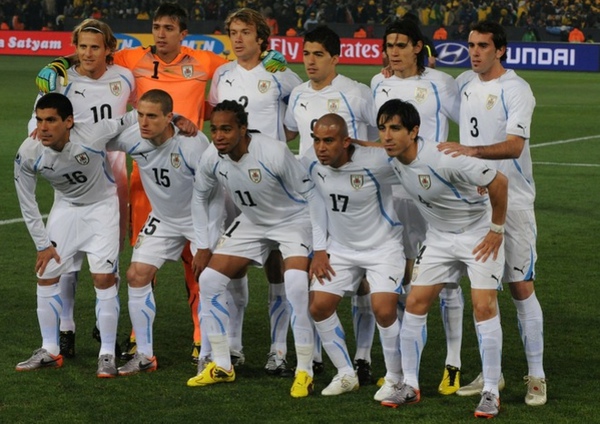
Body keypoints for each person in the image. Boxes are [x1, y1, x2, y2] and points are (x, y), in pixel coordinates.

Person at [34, 2, 287, 364]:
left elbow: (241, 65)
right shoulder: (131, 59)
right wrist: (60, 62)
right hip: (147, 177)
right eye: (156, 27)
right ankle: (138, 340)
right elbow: (93, 56)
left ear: (183, 33)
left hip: (192, 165)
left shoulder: (206, 62)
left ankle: (203, 338)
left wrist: (270, 58)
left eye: (169, 28)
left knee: (200, 262)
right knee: (141, 259)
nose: (161, 34)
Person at [376, 98, 508, 419]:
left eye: (395, 128)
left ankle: (491, 390)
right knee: (415, 302)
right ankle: (410, 385)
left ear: (414, 131)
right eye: (382, 128)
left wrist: (496, 229)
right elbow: (365, 148)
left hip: (477, 234)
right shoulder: (393, 157)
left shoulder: (444, 157)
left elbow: (498, 182)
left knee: (483, 306)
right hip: (438, 237)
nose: (387, 136)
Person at [439, 20, 547, 407]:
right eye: (471, 45)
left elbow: (515, 146)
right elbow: (430, 90)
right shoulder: (465, 83)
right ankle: (492, 374)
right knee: (482, 291)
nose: (474, 52)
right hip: (474, 205)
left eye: (483, 46)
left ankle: (536, 376)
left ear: (499, 50)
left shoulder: (516, 89)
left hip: (513, 203)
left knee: (520, 287)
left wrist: (471, 152)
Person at [187, 100, 324, 399]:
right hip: (252, 221)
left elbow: (312, 195)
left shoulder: (274, 152)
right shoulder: (212, 156)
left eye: (226, 129)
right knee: (209, 280)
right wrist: (203, 245)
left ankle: (304, 370)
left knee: (295, 283)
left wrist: (322, 248)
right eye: (214, 129)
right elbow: (199, 197)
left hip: (292, 220)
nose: (219, 136)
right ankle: (222, 364)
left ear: (243, 129)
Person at [27, 18, 136, 360]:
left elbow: (141, 110)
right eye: (82, 47)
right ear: (75, 48)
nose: (88, 54)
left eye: (94, 47)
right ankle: (66, 329)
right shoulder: (61, 81)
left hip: (114, 179)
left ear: (108, 49)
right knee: (67, 260)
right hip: (73, 180)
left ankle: (105, 328)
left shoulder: (125, 78)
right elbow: (36, 121)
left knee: (109, 259)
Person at [207, 7, 303, 376]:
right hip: (233, 182)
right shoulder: (222, 74)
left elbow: (296, 122)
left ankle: (278, 350)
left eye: (245, 32)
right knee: (233, 264)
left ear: (261, 39)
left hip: (271, 185)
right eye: (233, 32)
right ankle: (234, 346)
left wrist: (273, 145)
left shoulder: (280, 74)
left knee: (277, 267)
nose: (238, 38)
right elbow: (217, 119)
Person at [370, 19, 464, 396]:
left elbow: (466, 123)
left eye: (401, 45)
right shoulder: (379, 83)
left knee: (448, 281)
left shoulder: (440, 83)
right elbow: (378, 135)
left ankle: (453, 364)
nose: (393, 51)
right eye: (389, 45)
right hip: (393, 194)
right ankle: (405, 370)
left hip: (435, 195)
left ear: (417, 48)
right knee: (403, 279)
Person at [14, 93, 136, 377]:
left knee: (103, 278)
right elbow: (27, 202)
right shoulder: (29, 151)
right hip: (66, 209)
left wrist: (175, 119)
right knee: (46, 273)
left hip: (102, 208)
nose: (43, 128)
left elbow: (130, 118)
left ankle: (107, 353)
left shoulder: (94, 133)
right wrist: (43, 244)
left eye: (51, 120)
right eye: (39, 120)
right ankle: (50, 349)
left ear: (69, 122)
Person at [284, 25, 379, 384]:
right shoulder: (298, 93)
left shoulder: (356, 93)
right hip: (310, 195)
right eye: (306, 54)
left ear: (335, 58)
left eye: (318, 54)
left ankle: (363, 356)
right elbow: (291, 132)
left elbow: (379, 134)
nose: (310, 61)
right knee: (315, 271)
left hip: (353, 197)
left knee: (362, 280)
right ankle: (316, 355)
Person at [106, 89, 223, 376]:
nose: (144, 123)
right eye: (140, 115)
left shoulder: (193, 144)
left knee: (208, 281)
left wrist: (205, 243)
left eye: (152, 116)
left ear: (168, 117)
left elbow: (215, 193)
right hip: (164, 217)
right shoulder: (133, 136)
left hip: (200, 218)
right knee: (137, 275)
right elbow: (99, 137)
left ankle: (209, 355)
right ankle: (144, 355)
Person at [305, 114, 405, 400]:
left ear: (346, 141)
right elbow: (315, 202)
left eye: (328, 141)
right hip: (340, 249)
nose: (320, 148)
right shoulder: (311, 163)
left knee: (384, 310)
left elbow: (411, 155)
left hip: (382, 247)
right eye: (316, 140)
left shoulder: (376, 162)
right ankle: (346, 373)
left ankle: (396, 378)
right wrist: (320, 249)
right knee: (319, 306)